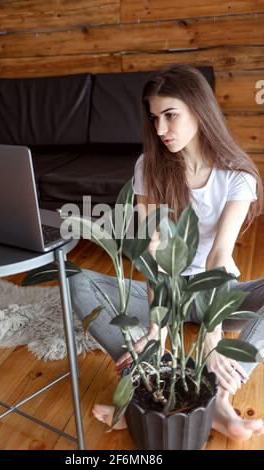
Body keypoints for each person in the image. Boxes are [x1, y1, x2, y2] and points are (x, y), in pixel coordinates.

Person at [69, 64, 264, 442]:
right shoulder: (150, 166)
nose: (160, 130)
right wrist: (157, 330)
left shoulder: (238, 175)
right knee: (75, 278)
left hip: (218, 294)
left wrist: (212, 338)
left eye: (170, 115)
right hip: (167, 294)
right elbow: (154, 251)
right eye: (155, 117)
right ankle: (143, 384)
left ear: (199, 110)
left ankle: (220, 398)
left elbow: (219, 257)